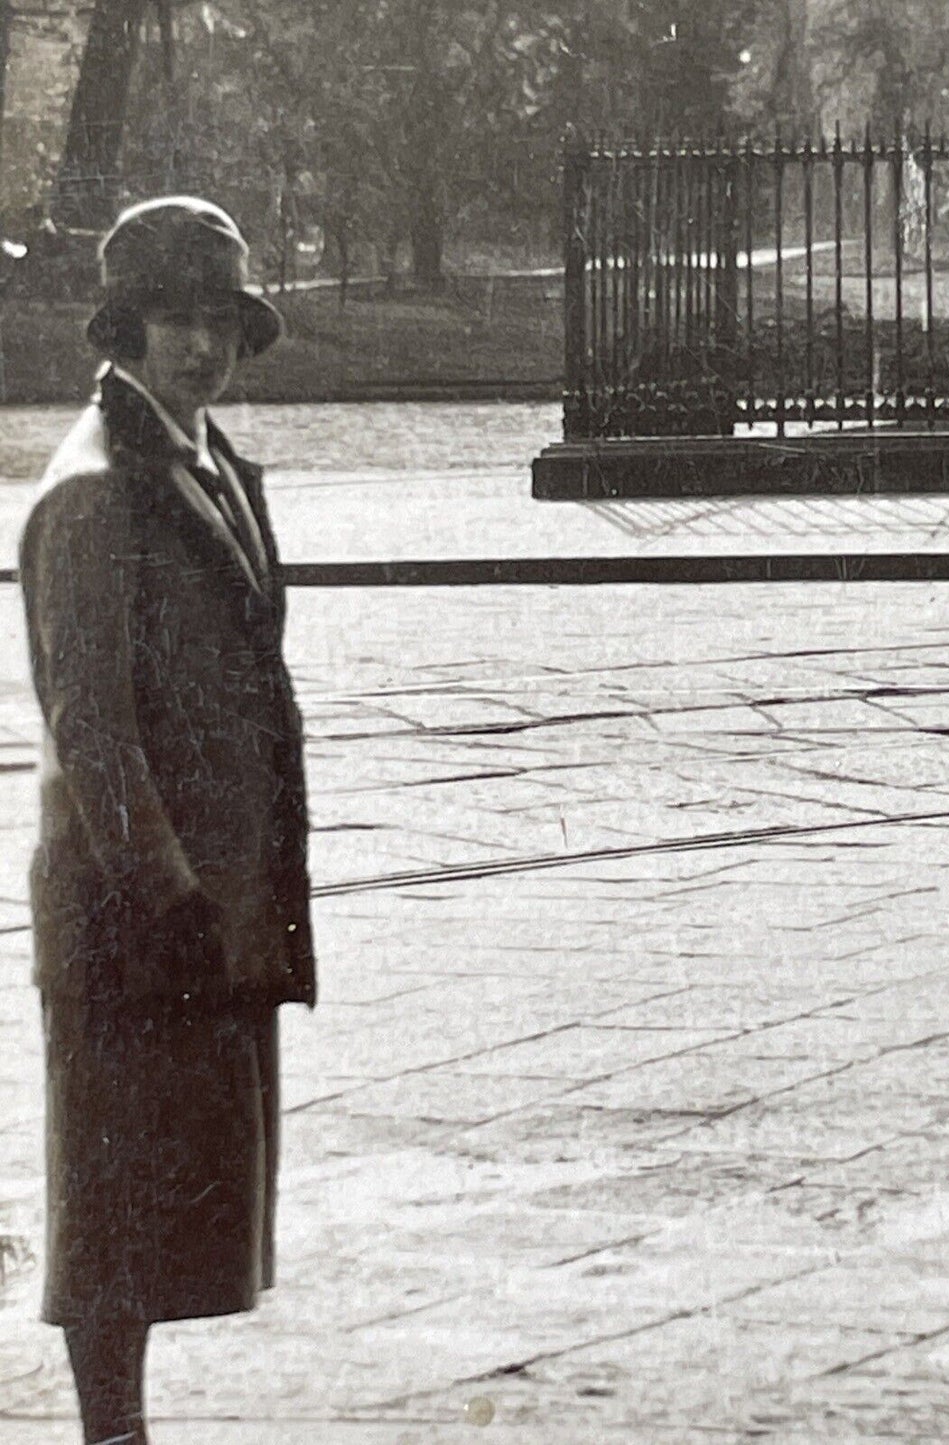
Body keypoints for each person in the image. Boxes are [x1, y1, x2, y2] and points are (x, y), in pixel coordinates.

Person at [18, 196, 317, 1445]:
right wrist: (172, 896)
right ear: (124, 329)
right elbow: (94, 730)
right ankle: (109, 1433)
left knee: (158, 1177)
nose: (198, 347)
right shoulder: (95, 490)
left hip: (198, 892)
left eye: (217, 322)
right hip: (132, 903)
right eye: (172, 321)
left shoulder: (199, 461)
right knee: (109, 1195)